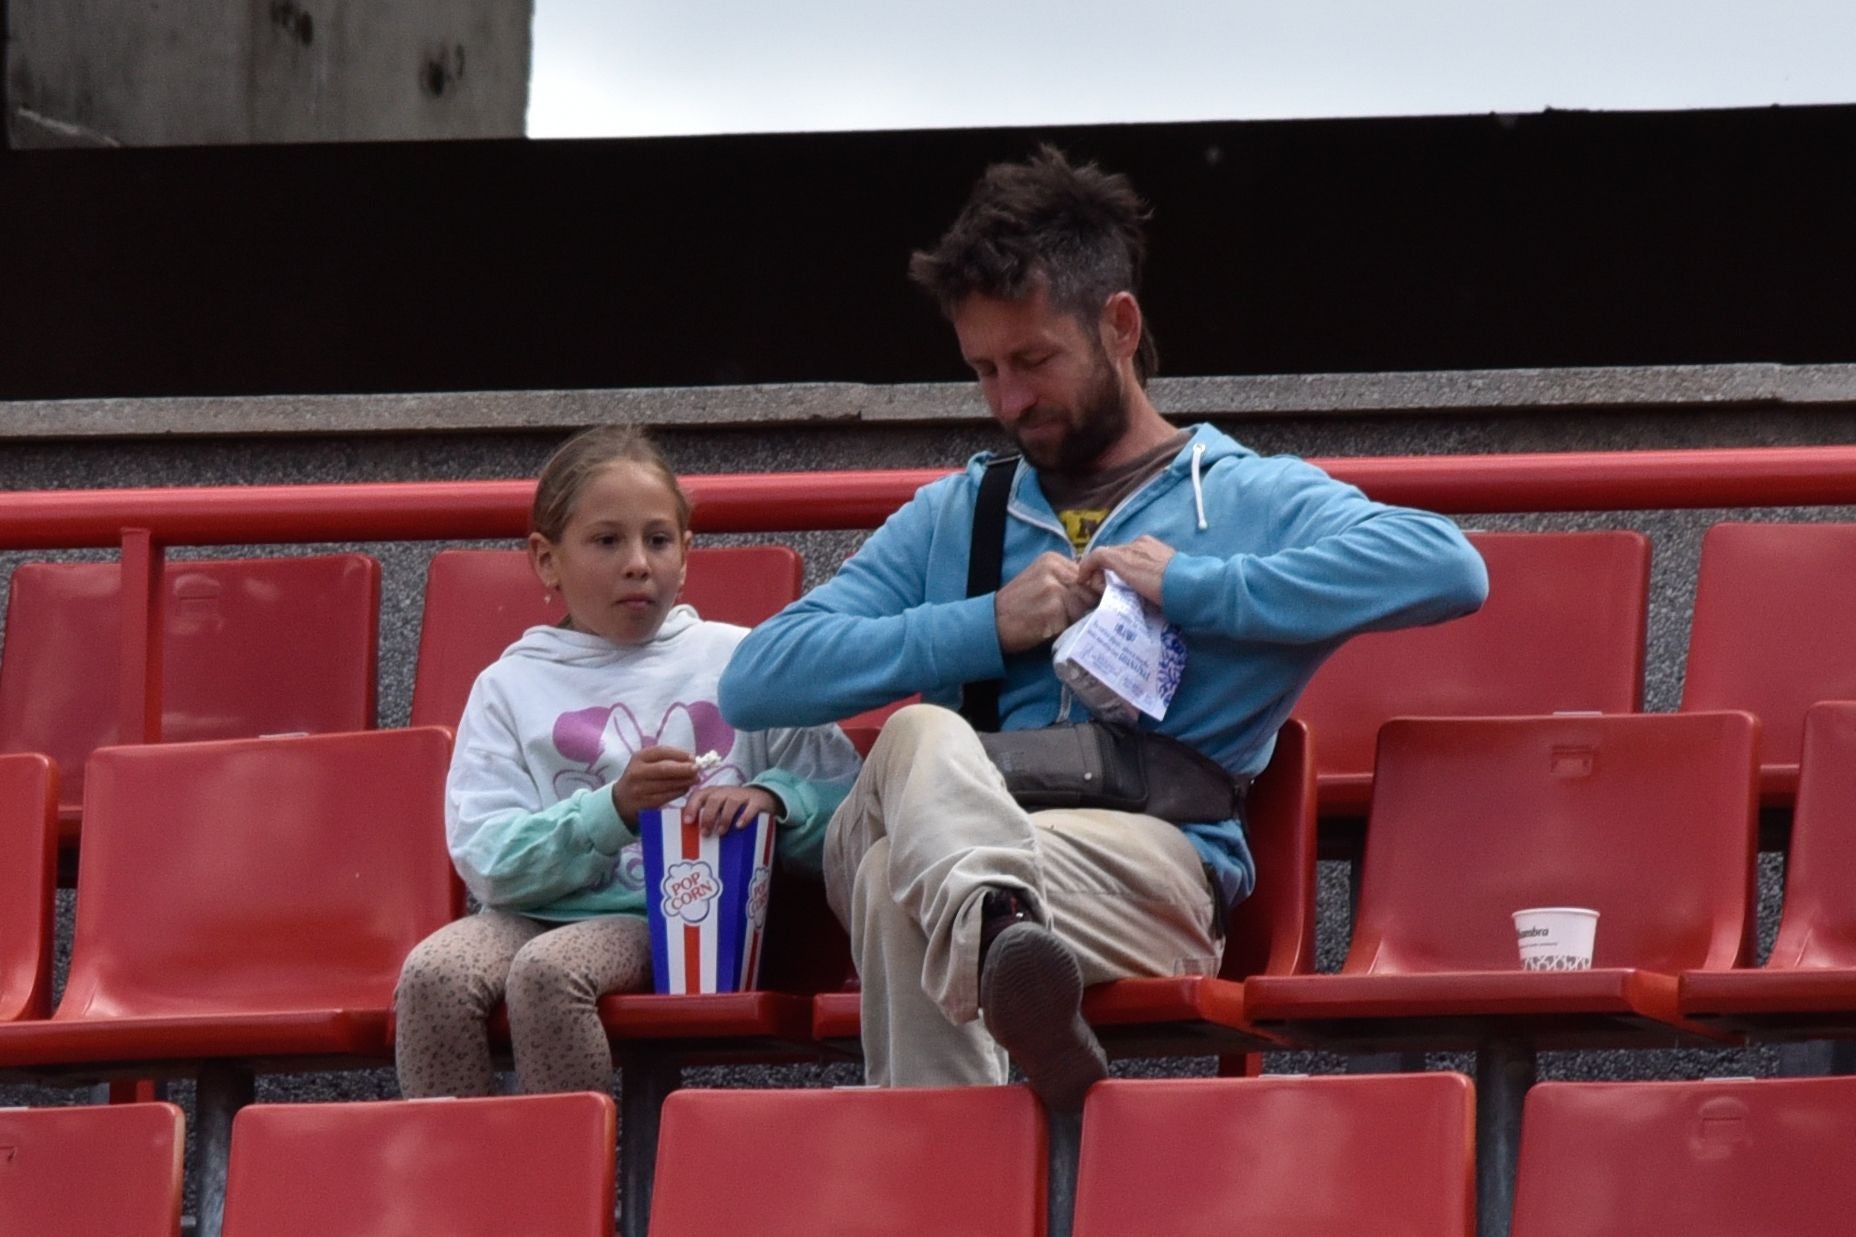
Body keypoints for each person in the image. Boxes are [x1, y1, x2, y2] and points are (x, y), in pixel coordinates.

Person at [718, 146, 1488, 1111]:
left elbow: (1448, 567)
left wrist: (1199, 588)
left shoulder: (1240, 494)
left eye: (1033, 360)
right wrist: (983, 625)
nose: (1007, 400)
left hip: (1144, 864)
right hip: (960, 832)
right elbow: (755, 678)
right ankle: (998, 930)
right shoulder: (958, 511)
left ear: (1119, 324)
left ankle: (956, 1157)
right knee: (920, 736)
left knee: (892, 887)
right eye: (984, 370)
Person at [395, 424, 860, 1098]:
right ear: (547, 561)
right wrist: (611, 810)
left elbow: (852, 809)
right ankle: (457, 1187)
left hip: (669, 920)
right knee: (432, 974)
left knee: (549, 973)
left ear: (687, 553)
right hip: (529, 911)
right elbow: (487, 856)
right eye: (607, 540)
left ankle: (566, 1187)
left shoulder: (738, 660)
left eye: (658, 539)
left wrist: (776, 800)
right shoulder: (508, 685)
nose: (638, 562)